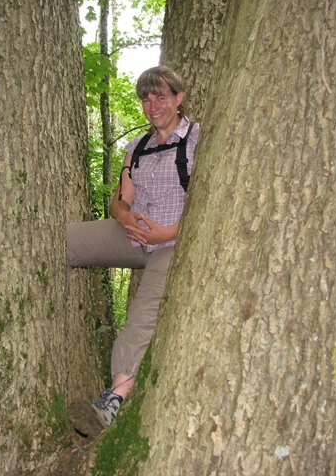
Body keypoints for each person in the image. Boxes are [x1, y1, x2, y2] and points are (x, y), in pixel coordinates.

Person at [66, 65, 200, 438]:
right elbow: (120, 200)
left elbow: (208, 202)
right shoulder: (136, 146)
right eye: (146, 97)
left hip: (172, 242)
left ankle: (113, 399)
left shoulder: (198, 140)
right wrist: (123, 217)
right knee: (60, 241)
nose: (152, 104)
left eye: (160, 95)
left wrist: (167, 233)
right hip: (133, 235)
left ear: (178, 98)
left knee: (144, 309)